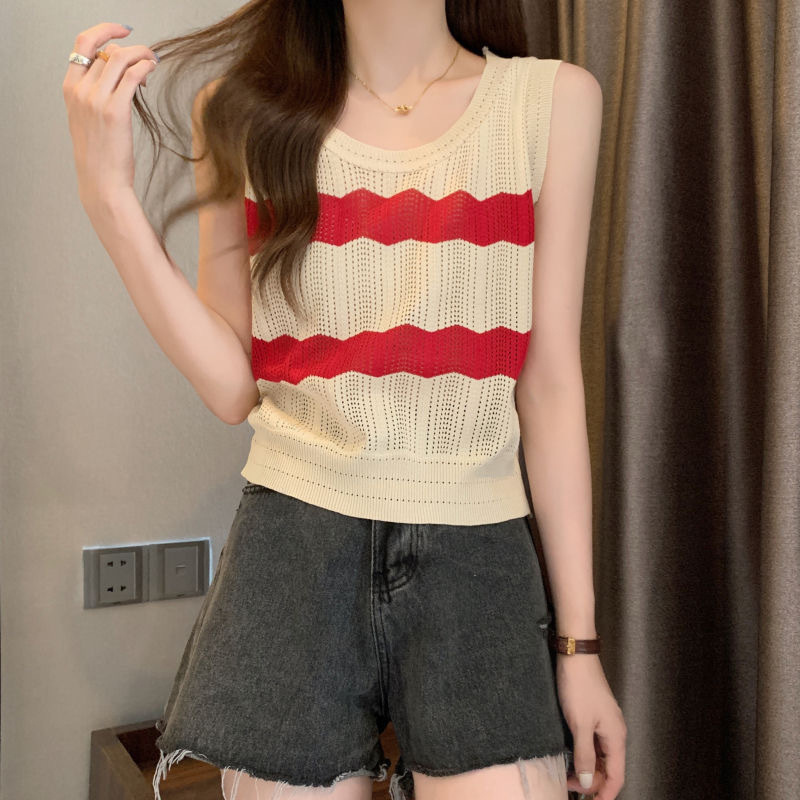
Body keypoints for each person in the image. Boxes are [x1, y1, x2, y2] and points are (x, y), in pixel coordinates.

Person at [62, 3, 626, 799]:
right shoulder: (240, 111)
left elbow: (550, 383)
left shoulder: (551, 102)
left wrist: (581, 649)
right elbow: (232, 385)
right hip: (293, 547)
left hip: (479, 555)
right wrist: (108, 201)